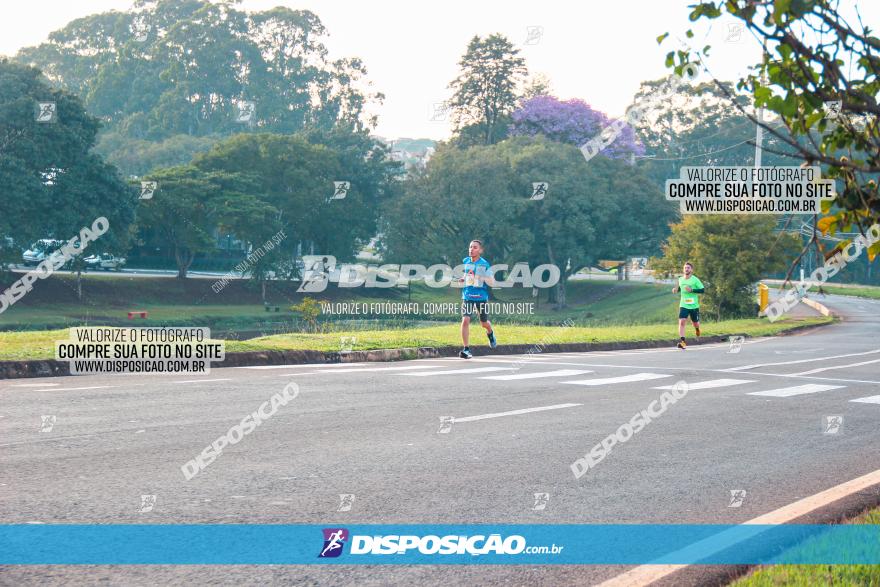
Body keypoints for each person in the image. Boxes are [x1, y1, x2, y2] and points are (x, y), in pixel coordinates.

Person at [458, 239, 497, 358]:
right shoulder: (466, 261)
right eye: (470, 247)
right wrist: (463, 278)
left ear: (480, 250)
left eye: (475, 247)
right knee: (465, 320)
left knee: (484, 323)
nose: (471, 249)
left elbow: (492, 282)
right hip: (468, 295)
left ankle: (490, 333)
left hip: (481, 297)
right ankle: (466, 349)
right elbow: (467, 274)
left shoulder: (484, 264)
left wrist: (480, 277)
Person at [671, 261, 704, 350]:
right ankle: (683, 342)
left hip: (694, 306)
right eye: (685, 268)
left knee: (695, 323)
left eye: (688, 268)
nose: (686, 269)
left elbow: (702, 290)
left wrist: (692, 290)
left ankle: (697, 329)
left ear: (691, 270)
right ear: (683, 269)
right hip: (684, 304)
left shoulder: (695, 279)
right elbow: (680, 289)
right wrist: (675, 290)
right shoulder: (680, 279)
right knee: (682, 322)